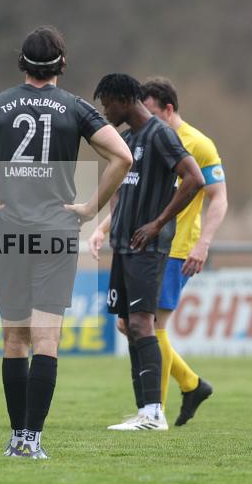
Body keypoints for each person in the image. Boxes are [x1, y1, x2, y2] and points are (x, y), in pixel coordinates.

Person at [0, 26, 132, 458]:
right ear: (62, 64)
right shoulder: (76, 108)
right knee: (46, 341)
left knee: (14, 341)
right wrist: (90, 207)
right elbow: (123, 156)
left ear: (21, 63)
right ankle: (33, 441)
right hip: (57, 234)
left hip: (11, 233)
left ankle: (15, 439)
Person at [90, 77, 226, 426]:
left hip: (151, 247)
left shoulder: (162, 135)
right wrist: (109, 225)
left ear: (124, 99)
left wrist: (158, 222)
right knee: (130, 324)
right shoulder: (126, 139)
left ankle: (154, 411)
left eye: (108, 103)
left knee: (144, 323)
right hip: (124, 245)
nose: (105, 111)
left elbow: (195, 180)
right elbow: (120, 185)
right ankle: (149, 409)